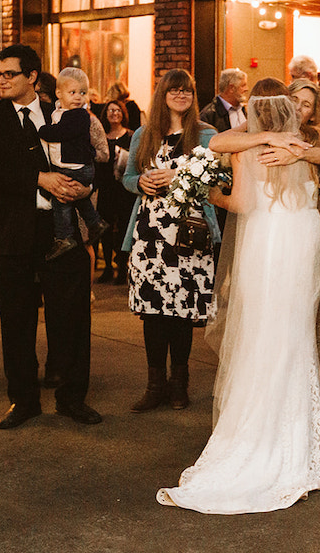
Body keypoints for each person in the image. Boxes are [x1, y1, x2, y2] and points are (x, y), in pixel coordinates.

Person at [157, 94, 320, 513]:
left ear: (254, 119)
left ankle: (256, 439)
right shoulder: (305, 148)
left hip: (266, 248)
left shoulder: (247, 151)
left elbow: (243, 202)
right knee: (295, 338)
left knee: (261, 338)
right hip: (303, 245)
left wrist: (213, 195)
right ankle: (296, 446)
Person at [210, 77, 320, 449]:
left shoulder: (310, 134)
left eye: (308, 102)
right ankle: (294, 434)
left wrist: (215, 196)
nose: (300, 107)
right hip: (290, 237)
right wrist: (270, 138)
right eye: (295, 100)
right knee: (282, 330)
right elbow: (217, 141)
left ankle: (269, 428)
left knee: (277, 329)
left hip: (279, 238)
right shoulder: (266, 139)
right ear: (283, 102)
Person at [0, 45, 103, 429]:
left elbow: (88, 157)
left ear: (32, 76)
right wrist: (39, 178)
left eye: (7, 74)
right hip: (12, 232)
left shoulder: (61, 111)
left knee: (73, 317)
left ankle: (72, 398)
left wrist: (84, 188)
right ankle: (24, 400)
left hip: (60, 231)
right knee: (16, 321)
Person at [122, 69, 221, 413]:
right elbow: (127, 177)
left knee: (181, 312)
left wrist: (180, 174)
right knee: (153, 312)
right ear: (162, 94)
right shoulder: (144, 134)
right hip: (150, 235)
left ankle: (180, 385)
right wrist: (141, 183)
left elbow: (221, 177)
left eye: (188, 91)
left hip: (189, 232)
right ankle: (155, 386)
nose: (181, 96)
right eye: (174, 90)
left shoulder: (206, 135)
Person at [37, 68, 104, 261]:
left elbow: (61, 133)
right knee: (78, 198)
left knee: (62, 201)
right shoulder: (60, 112)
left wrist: (43, 131)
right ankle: (94, 222)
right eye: (72, 92)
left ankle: (64, 237)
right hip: (70, 165)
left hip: (75, 168)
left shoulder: (79, 115)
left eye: (82, 93)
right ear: (59, 94)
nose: (78, 97)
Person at [95, 100, 134, 284]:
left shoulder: (131, 136)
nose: (114, 114)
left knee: (124, 227)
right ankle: (108, 268)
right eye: (110, 111)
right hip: (106, 188)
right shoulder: (102, 137)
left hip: (124, 189)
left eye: (117, 110)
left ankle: (122, 265)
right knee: (106, 229)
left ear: (123, 113)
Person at [198, 68, 248, 132]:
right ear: (231, 88)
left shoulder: (244, 110)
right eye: (243, 85)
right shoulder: (209, 115)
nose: (247, 89)